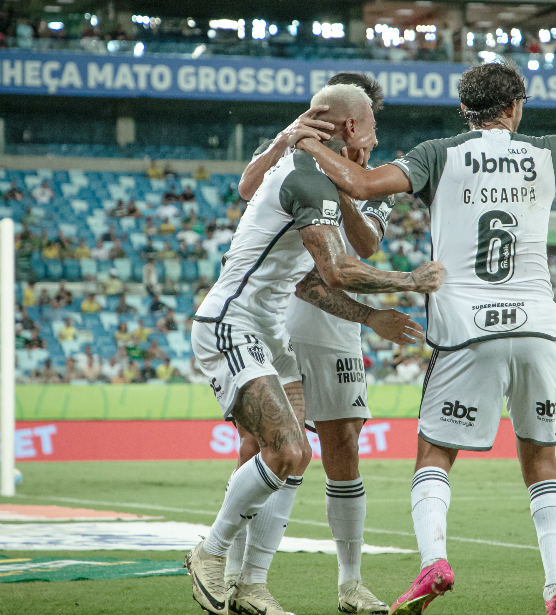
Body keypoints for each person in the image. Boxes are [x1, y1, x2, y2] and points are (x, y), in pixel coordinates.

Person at [297, 61, 556, 615]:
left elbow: (363, 183)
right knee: (541, 460)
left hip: (467, 328)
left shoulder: (438, 153)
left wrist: (308, 145)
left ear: (464, 110)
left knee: (434, 454)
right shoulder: (548, 152)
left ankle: (434, 562)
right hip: (538, 327)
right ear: (516, 106)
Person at [183, 82, 444, 615]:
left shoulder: (326, 176)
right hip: (233, 323)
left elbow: (315, 275)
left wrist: (372, 314)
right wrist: (413, 280)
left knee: (295, 455)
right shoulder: (304, 175)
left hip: (270, 329)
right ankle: (212, 555)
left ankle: (252, 585)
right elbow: (337, 269)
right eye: (369, 129)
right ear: (350, 128)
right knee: (283, 450)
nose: (374, 143)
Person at [227, 71, 400, 614]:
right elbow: (246, 187)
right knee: (262, 446)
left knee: (343, 446)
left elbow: (368, 243)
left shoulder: (371, 169)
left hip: (336, 322)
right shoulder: (290, 148)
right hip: (280, 312)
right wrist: (291, 141)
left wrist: (346, 179)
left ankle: (351, 584)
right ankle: (235, 575)